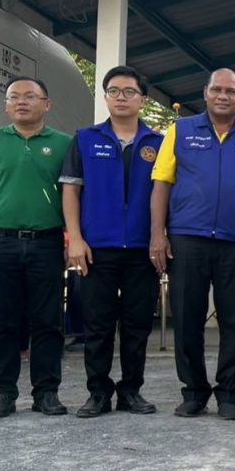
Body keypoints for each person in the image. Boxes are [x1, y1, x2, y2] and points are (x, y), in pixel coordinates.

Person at [149, 68, 235, 421]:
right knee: (187, 318)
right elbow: (161, 183)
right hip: (187, 238)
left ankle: (229, 395)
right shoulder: (180, 131)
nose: (223, 96)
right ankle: (193, 392)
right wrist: (157, 234)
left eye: (230, 91)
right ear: (205, 93)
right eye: (216, 89)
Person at [0, 76, 71, 417]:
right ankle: (3, 391)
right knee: (0, 321)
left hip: (47, 243)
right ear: (6, 105)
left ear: (47, 104)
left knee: (48, 321)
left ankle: (46, 392)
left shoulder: (64, 144)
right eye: (14, 97)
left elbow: (72, 197)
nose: (21, 102)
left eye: (30, 96)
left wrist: (71, 239)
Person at [61, 65, 162, 418]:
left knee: (137, 325)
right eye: (114, 91)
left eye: (129, 92)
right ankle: (98, 393)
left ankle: (131, 390)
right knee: (97, 325)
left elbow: (167, 195)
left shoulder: (159, 143)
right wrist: (75, 238)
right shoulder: (85, 139)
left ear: (142, 100)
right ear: (105, 97)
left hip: (142, 250)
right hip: (96, 249)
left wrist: (160, 237)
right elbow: (71, 191)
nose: (121, 98)